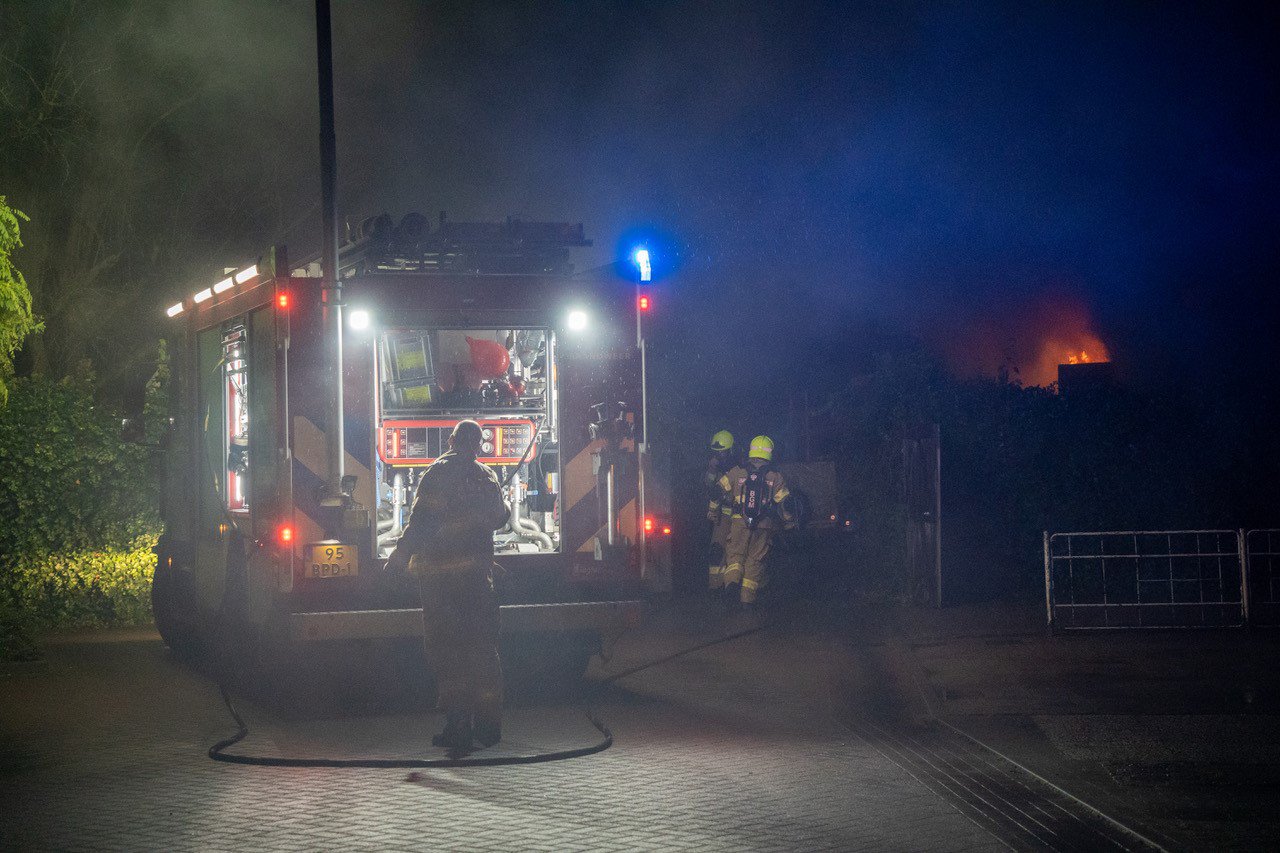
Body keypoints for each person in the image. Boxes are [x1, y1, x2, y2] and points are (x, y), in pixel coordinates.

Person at [386, 419, 510, 752]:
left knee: (448, 651)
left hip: (441, 581)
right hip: (478, 580)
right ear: (478, 445)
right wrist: (507, 506)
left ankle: (458, 728)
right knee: (483, 649)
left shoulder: (437, 474)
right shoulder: (487, 477)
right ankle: (489, 727)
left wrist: (399, 556)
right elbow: (499, 518)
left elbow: (420, 522)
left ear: (451, 441)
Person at [717, 435, 795, 609]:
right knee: (755, 561)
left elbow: (719, 489)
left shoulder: (738, 471)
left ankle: (731, 583)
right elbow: (785, 504)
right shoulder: (775, 476)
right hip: (764, 525)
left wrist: (719, 506)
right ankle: (747, 600)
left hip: (739, 522)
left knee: (735, 556)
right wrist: (789, 523)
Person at [704, 430, 737, 593]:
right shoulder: (715, 469)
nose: (719, 456)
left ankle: (733, 585)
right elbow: (709, 487)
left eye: (722, 452)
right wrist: (712, 469)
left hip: (739, 517)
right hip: (723, 516)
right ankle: (715, 586)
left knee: (736, 553)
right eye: (716, 453)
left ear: (731, 451)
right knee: (717, 550)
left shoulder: (740, 468)